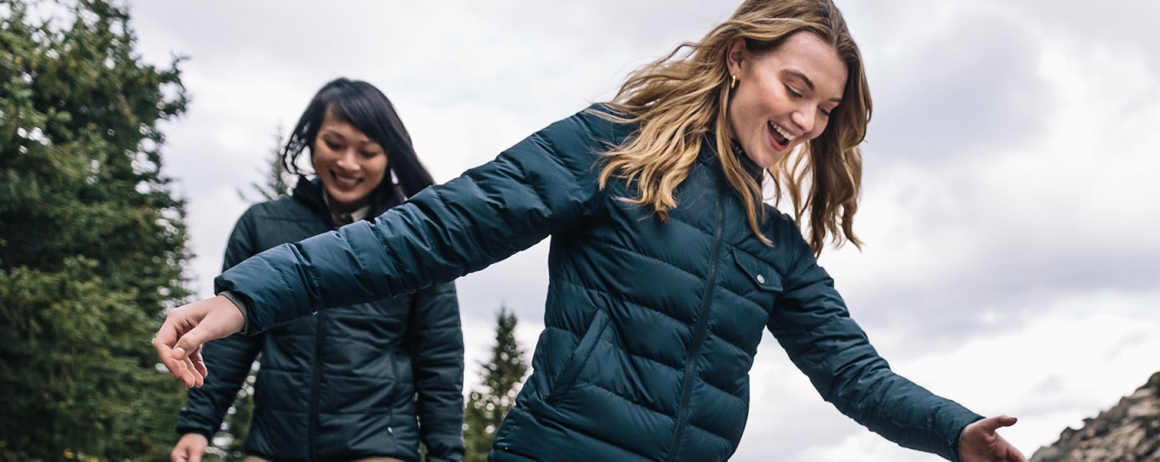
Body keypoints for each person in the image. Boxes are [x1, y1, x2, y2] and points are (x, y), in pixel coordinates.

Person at [153, 1, 1026, 461]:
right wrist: (246, 297)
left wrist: (953, 432)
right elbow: (433, 230)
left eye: (825, 109)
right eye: (795, 88)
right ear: (737, 61)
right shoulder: (610, 150)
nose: (806, 120)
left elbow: (852, 372)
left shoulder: (774, 243)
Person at [169, 79, 463, 462]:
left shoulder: (417, 240)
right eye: (334, 144)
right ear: (309, 141)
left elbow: (439, 358)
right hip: (274, 446)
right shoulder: (262, 226)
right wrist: (198, 424)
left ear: (390, 155)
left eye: (368, 151)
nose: (348, 163)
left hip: (378, 448)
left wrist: (446, 455)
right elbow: (232, 341)